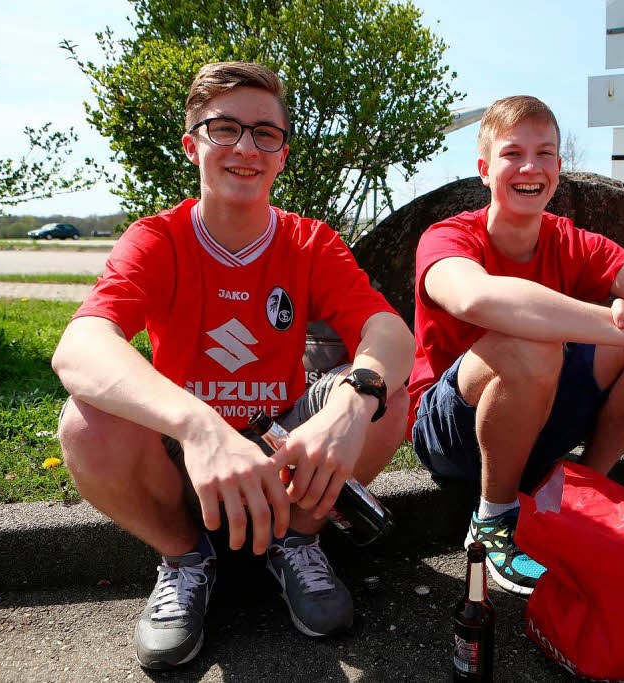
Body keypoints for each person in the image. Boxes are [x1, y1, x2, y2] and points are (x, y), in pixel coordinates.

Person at [52, 62, 413, 670]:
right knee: (84, 422)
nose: (246, 147)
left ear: (282, 155)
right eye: (225, 129)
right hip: (184, 457)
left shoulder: (310, 242)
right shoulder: (158, 240)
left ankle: (296, 542)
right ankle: (186, 559)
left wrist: (355, 400)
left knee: (389, 396)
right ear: (193, 145)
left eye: (264, 134)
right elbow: (81, 344)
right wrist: (201, 428)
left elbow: (389, 333)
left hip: (281, 449)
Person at [407, 95, 624, 596]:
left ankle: (582, 493)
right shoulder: (448, 236)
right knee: (535, 340)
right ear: (485, 169)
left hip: (536, 417)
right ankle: (493, 521)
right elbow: (477, 298)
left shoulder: (569, 238)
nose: (531, 166)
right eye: (513, 154)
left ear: (558, 166)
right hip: (449, 432)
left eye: (546, 153)